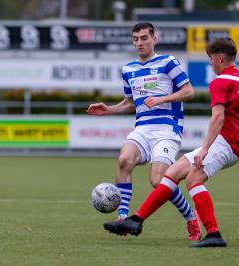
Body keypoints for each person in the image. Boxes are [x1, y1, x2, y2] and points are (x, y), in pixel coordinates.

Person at [103, 37, 239, 248]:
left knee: (194, 179)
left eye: (210, 59)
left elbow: (218, 118)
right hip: (234, 144)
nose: (210, 63)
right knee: (171, 174)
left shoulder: (220, 82)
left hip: (226, 144)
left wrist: (205, 148)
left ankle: (214, 233)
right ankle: (136, 220)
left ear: (220, 58)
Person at [87, 22, 201, 240]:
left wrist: (162, 98)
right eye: (136, 39)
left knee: (158, 180)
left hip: (167, 128)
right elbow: (131, 103)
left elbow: (189, 92)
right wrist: (108, 109)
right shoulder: (128, 69)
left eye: (144, 38)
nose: (139, 42)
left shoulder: (168, 62)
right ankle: (122, 218)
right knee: (124, 160)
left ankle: (191, 216)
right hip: (142, 129)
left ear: (154, 39)